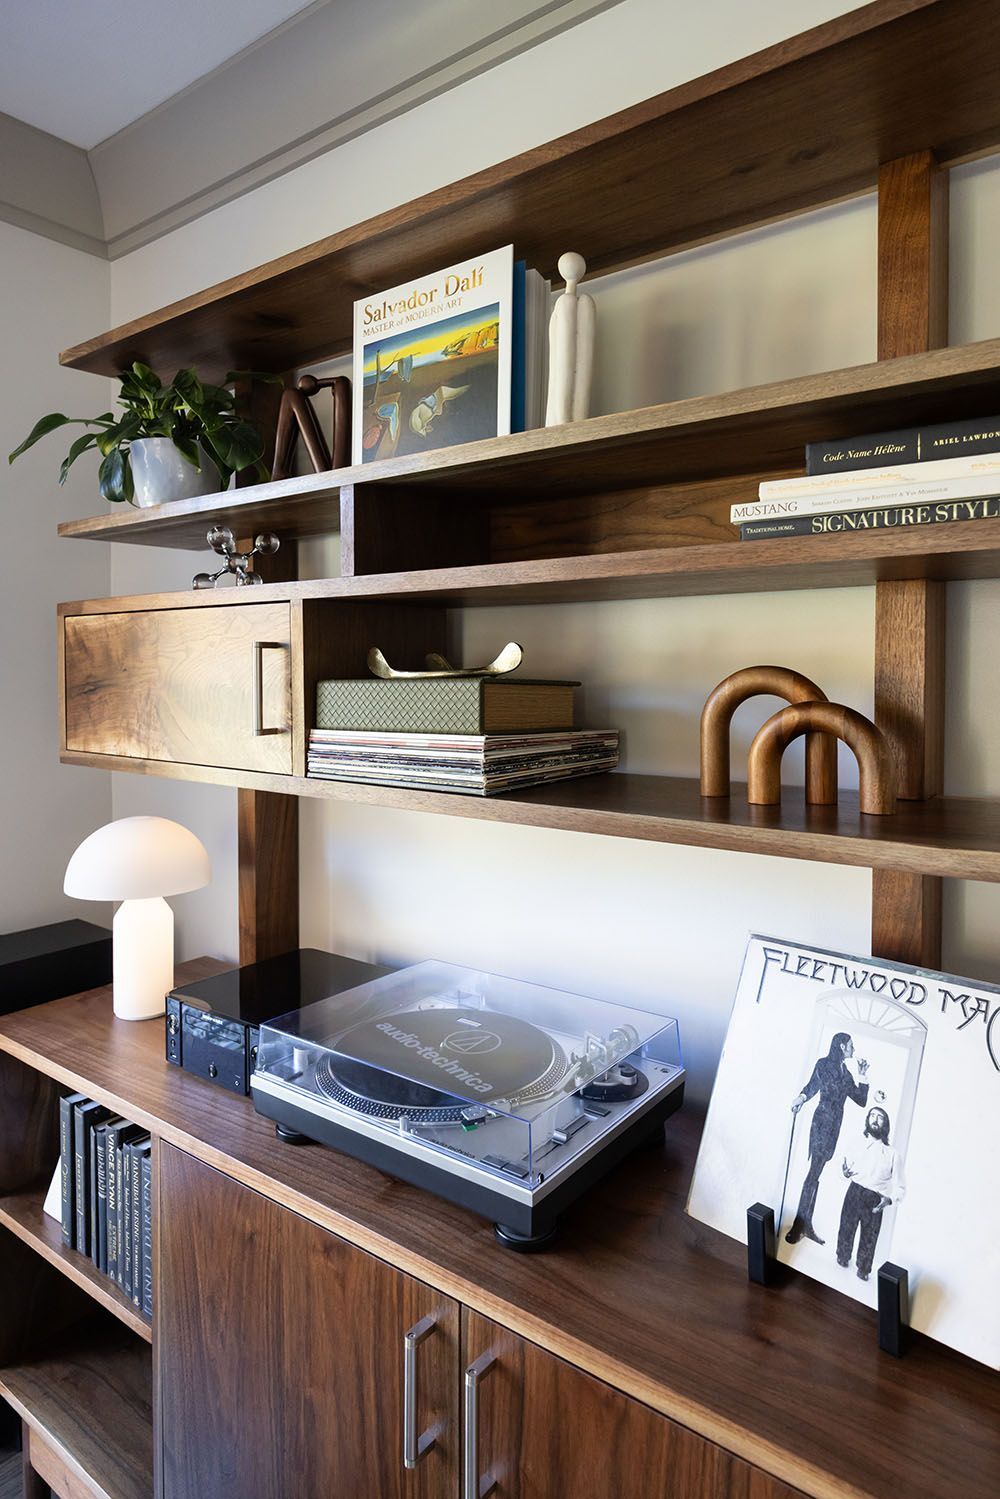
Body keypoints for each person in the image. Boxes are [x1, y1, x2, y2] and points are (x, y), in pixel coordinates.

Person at [785, 1032, 869, 1245]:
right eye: (851, 1045)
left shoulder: (846, 1072)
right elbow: (813, 1086)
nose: (854, 1049)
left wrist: (862, 1075)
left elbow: (861, 1100)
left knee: (816, 1172)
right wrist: (801, 1098)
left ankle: (806, 1224)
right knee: (813, 1172)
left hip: (834, 1126)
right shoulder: (824, 1064)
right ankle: (799, 1225)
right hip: (821, 1123)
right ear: (841, 1046)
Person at [836, 1106, 905, 1281]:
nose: (875, 1119)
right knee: (846, 1227)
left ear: (885, 1124)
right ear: (867, 1120)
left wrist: (889, 1200)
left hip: (875, 1199)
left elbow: (900, 1187)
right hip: (854, 1191)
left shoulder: (893, 1155)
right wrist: (843, 1173)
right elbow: (843, 1170)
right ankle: (842, 1257)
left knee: (869, 1236)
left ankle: (863, 1269)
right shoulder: (856, 1144)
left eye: (880, 1117)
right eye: (872, 1115)